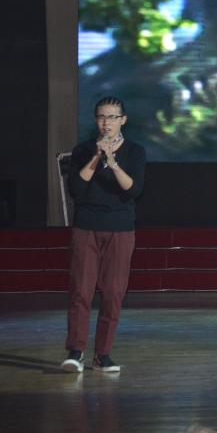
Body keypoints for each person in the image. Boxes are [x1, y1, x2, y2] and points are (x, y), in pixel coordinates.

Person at [61, 96, 146, 373]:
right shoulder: (83, 150)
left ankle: (103, 355)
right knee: (81, 291)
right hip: (87, 226)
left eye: (112, 117)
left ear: (123, 120)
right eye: (101, 117)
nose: (106, 123)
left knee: (113, 293)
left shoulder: (135, 151)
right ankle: (76, 352)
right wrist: (98, 157)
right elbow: (76, 189)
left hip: (120, 228)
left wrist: (114, 162)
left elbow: (133, 190)